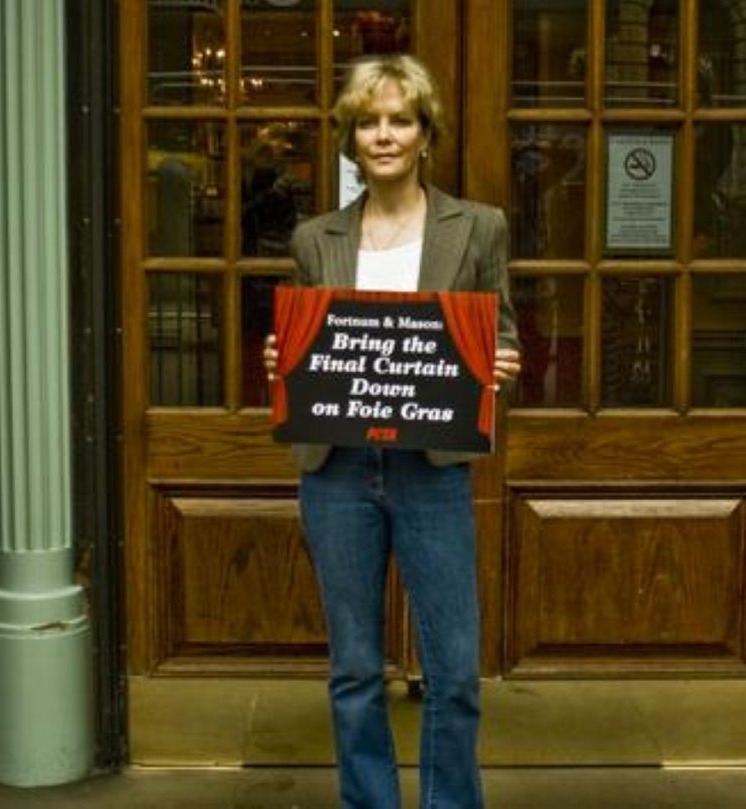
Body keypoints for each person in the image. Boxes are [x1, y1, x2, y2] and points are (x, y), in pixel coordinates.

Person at [263, 54, 520, 809]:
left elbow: (498, 334)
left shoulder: (476, 227)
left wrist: (499, 363)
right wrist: (282, 358)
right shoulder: (316, 238)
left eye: (399, 120)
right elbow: (311, 350)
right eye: (369, 121)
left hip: (431, 468)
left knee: (455, 668)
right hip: (339, 470)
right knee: (352, 669)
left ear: (424, 133)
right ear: (351, 137)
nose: (384, 135)